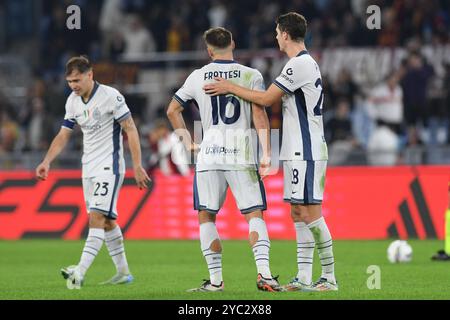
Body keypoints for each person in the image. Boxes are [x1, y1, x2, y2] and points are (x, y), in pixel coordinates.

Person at [204, 12, 338, 291]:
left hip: (307, 148)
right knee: (298, 212)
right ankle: (303, 277)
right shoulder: (298, 64)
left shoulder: (299, 64)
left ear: (286, 34)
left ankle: (329, 277)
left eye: (278, 32)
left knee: (311, 212)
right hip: (295, 150)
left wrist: (230, 86)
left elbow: (266, 99)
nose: (276, 36)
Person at [167, 27, 282, 292]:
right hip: (240, 154)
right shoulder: (251, 75)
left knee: (206, 216)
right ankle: (264, 274)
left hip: (209, 155)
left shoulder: (197, 76)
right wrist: (266, 153)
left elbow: (172, 109)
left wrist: (187, 141)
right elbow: (259, 115)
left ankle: (216, 281)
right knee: (254, 214)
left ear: (208, 51)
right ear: (233, 43)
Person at [35, 56, 151, 289]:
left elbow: (130, 129)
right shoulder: (73, 101)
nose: (73, 85)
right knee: (107, 222)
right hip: (88, 168)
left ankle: (79, 271)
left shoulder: (111, 96)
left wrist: (137, 165)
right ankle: (123, 273)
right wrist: (47, 160)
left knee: (96, 217)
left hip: (109, 166)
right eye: (69, 81)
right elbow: (64, 134)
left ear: (90, 75)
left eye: (77, 80)